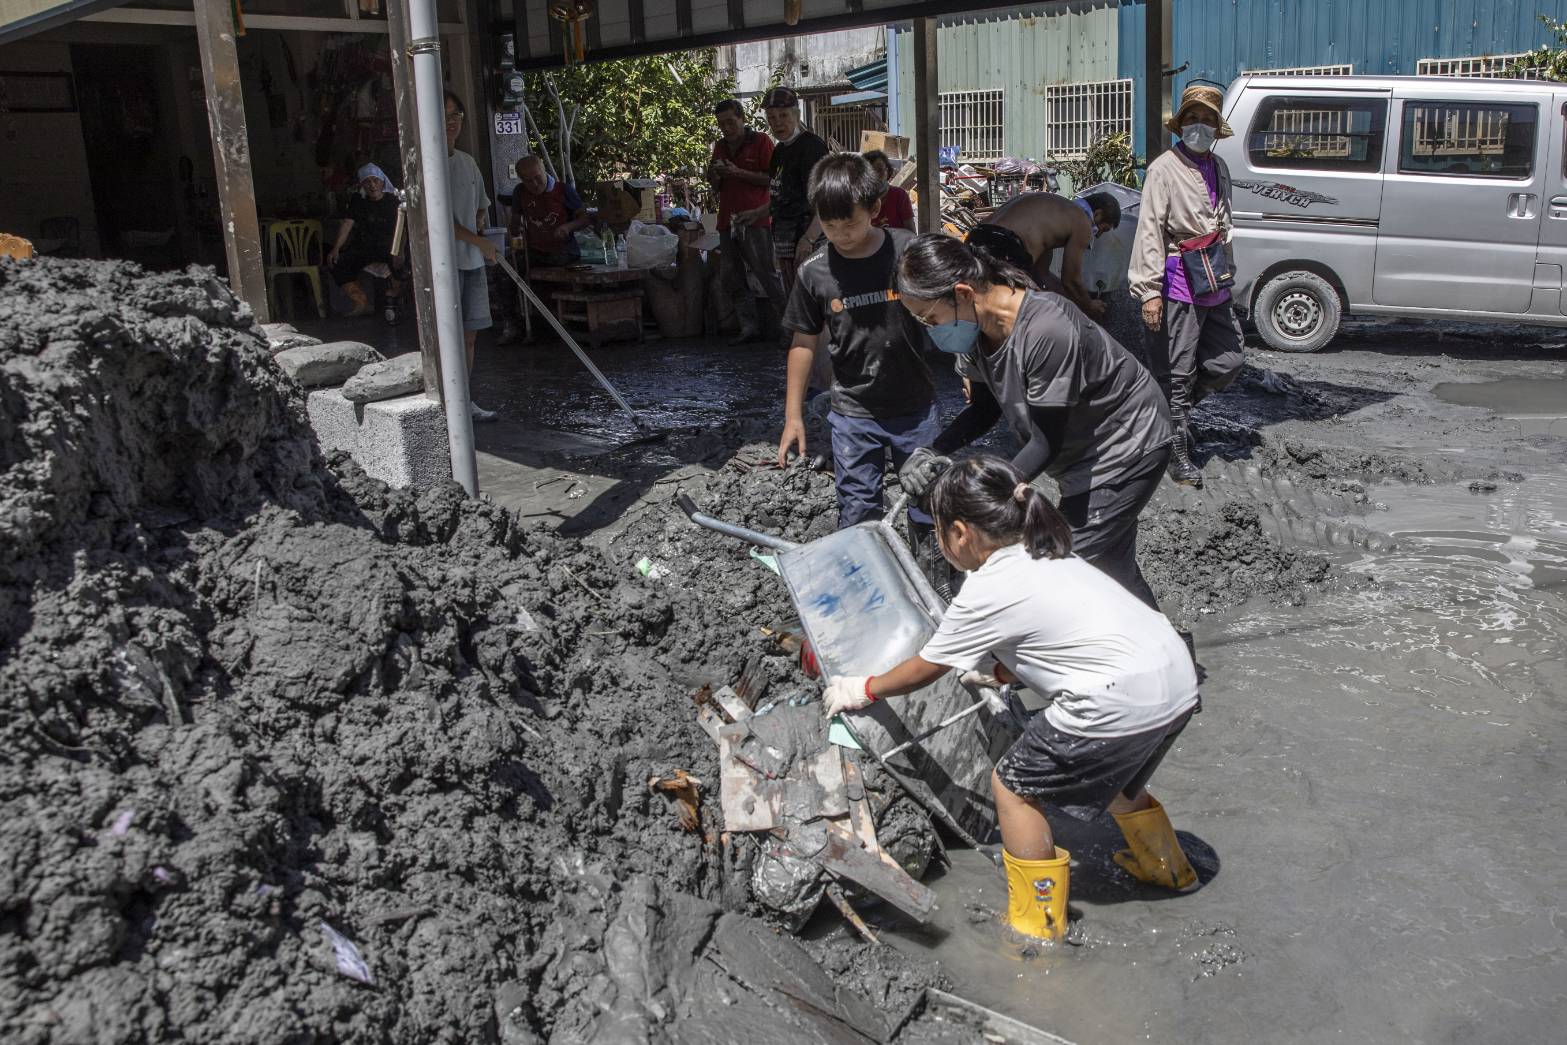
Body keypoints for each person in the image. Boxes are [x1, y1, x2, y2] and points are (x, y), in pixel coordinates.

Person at [820, 455, 1201, 942]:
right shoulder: (1053, 554)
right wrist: (999, 672)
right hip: (1175, 685)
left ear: (959, 533)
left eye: (938, 532)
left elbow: (925, 667)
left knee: (1014, 786)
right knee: (1121, 785)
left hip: (1114, 700)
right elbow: (1065, 640)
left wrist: (863, 688)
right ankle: (1168, 870)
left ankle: (1037, 923)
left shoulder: (987, 588)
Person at [895, 234, 1172, 610]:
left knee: (1061, 567)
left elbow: (1044, 443)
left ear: (962, 293)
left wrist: (975, 494)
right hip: (1080, 451)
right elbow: (984, 408)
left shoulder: (1045, 329)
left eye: (931, 318)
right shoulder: (976, 331)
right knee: (1110, 567)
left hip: (1127, 442)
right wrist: (932, 450)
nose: (932, 330)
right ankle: (1169, 654)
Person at [775, 153, 940, 561]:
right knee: (858, 510)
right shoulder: (814, 272)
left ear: (875, 209)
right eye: (830, 226)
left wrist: (970, 368)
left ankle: (935, 585)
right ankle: (869, 587)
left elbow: (949, 310)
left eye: (850, 222)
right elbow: (802, 342)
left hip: (915, 408)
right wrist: (793, 416)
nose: (842, 234)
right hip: (852, 412)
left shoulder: (907, 252)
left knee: (928, 505)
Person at [1130, 83, 1247, 488]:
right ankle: (1176, 453)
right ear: (1181, 126)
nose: (1200, 126)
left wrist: (1230, 278)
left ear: (1217, 128)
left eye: (1207, 120)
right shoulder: (1164, 168)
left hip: (1214, 278)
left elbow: (1226, 226)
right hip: (1179, 278)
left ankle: (1168, 414)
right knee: (1176, 371)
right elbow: (1149, 231)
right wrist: (1149, 291)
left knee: (1229, 360)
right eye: (1193, 119)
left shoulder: (1220, 168)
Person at [733, 86, 830, 297]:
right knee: (796, 303)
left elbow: (826, 200)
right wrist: (757, 213)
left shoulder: (812, 147)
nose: (777, 122)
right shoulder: (779, 151)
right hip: (786, 242)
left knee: (815, 306)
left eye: (783, 115)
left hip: (809, 241)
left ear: (797, 114)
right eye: (772, 117)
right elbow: (783, 195)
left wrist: (809, 238)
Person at [966, 191, 1121, 320]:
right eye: (1103, 229)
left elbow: (1042, 275)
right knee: (1008, 316)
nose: (1099, 235)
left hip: (975, 237)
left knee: (976, 306)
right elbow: (1071, 280)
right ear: (1098, 214)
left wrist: (1071, 303)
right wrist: (1089, 305)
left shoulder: (1055, 211)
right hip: (1005, 244)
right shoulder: (1082, 221)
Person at [708, 98, 787, 344]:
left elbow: (773, 179)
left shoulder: (761, 142)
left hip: (756, 218)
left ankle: (788, 329)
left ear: (742, 118)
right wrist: (715, 174)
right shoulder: (720, 146)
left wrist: (738, 172)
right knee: (731, 275)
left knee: (766, 273)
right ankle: (748, 326)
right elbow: (715, 184)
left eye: (731, 122)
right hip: (727, 219)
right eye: (722, 124)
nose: (726, 128)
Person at [443, 90, 498, 422]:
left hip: (472, 261)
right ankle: (447, 402)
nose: (451, 122)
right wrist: (480, 242)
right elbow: (440, 222)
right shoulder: (428, 164)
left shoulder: (467, 163)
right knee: (447, 337)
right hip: (445, 265)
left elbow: (481, 206)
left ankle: (465, 399)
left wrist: (479, 230)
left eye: (456, 115)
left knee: (469, 337)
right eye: (445, 115)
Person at [327, 162, 403, 320]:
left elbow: (403, 229)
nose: (372, 185)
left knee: (401, 266)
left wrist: (399, 251)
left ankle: (394, 302)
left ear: (382, 182)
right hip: (367, 247)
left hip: (391, 247)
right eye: (367, 181)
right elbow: (348, 223)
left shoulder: (393, 202)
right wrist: (336, 249)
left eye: (376, 180)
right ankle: (361, 302)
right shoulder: (358, 201)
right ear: (362, 184)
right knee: (338, 262)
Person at [507, 154, 591, 268]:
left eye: (538, 177)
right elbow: (515, 223)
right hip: (535, 251)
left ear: (544, 171)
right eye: (529, 181)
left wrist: (568, 227)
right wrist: (516, 229)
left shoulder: (563, 190)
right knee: (508, 269)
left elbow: (585, 219)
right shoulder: (520, 191)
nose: (535, 184)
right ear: (522, 180)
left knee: (554, 267)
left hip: (565, 251)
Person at [863, 150, 915, 233]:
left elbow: (911, 233)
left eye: (880, 170)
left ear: (887, 171)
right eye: (871, 172)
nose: (876, 176)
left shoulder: (899, 195)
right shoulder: (860, 198)